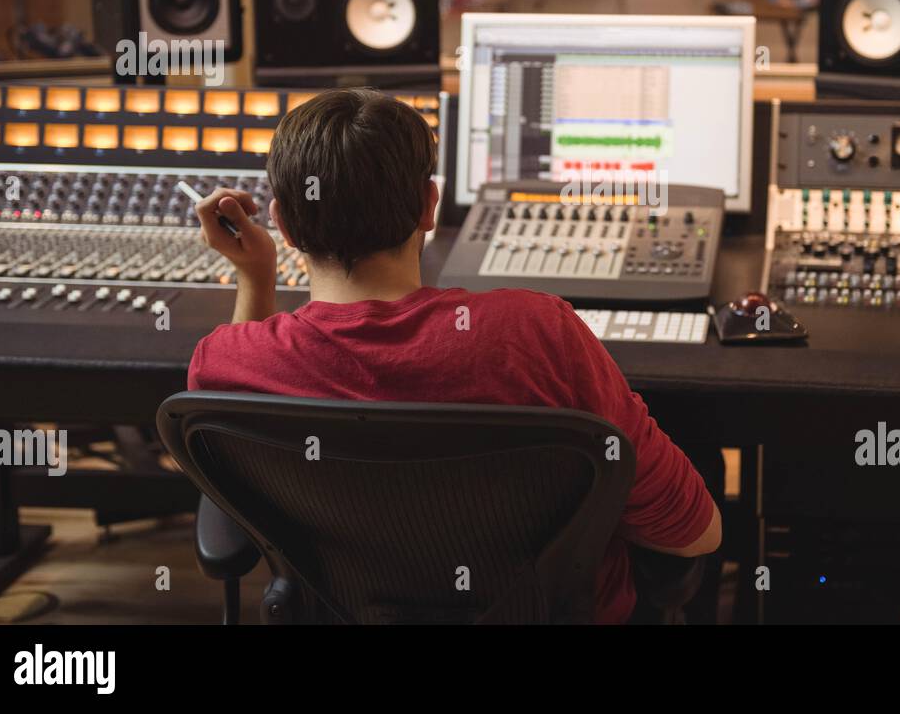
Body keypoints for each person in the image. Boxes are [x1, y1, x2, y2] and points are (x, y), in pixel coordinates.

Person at [187, 88, 721, 623]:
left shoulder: (223, 363)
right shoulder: (536, 333)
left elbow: (242, 379)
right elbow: (694, 534)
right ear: (428, 206)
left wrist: (254, 276)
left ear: (281, 222)